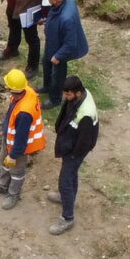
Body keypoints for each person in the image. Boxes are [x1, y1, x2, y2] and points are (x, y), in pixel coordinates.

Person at [0, 67, 45, 211]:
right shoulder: (25, 92)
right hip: (9, 140)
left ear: (13, 90)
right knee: (4, 163)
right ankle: (2, 185)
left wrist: (13, 155)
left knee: (17, 171)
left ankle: (13, 193)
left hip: (19, 147)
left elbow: (21, 137)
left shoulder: (24, 113)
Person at [47, 75, 99, 237]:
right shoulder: (80, 96)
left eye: (68, 95)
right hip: (70, 144)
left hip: (75, 151)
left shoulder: (86, 115)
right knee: (70, 176)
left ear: (77, 93)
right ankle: (67, 198)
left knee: (65, 180)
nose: (65, 97)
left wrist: (73, 155)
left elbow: (85, 141)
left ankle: (67, 217)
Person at [35, 0, 88, 106]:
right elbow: (54, 15)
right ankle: (47, 87)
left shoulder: (67, 18)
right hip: (53, 41)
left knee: (57, 74)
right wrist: (47, 21)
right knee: (46, 62)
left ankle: (55, 99)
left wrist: (58, 56)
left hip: (61, 48)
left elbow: (70, 43)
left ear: (54, 0)